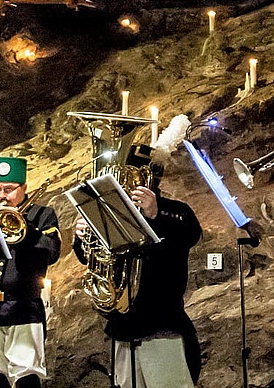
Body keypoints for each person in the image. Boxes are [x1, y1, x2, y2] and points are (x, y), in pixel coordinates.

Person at [72, 162, 202, 388]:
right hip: (122, 331)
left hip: (163, 329)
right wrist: (83, 236)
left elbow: (190, 234)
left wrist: (156, 213)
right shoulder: (110, 217)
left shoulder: (176, 210)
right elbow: (88, 259)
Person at [0, 157, 61, 388]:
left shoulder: (42, 215)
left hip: (23, 308)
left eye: (8, 190)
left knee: (26, 376)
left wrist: (25, 229)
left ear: (24, 188)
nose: (2, 196)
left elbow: (52, 251)